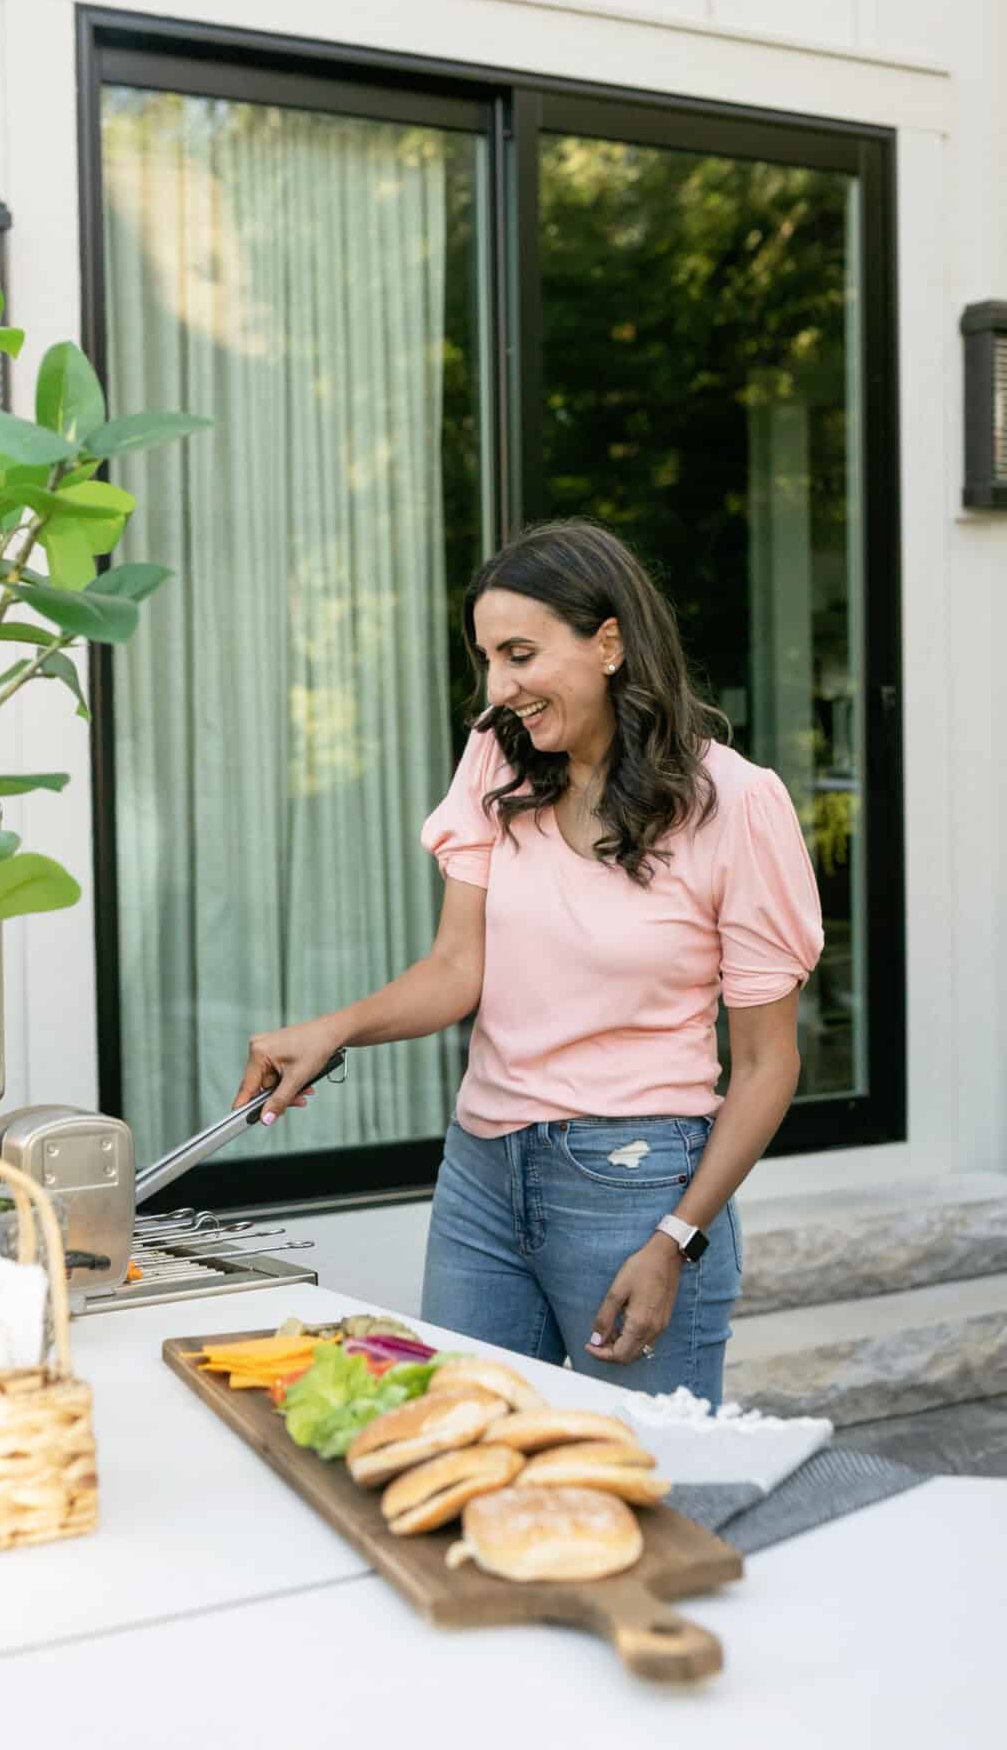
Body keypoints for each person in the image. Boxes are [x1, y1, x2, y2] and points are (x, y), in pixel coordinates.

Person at [233, 519, 823, 1406]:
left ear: (610, 643)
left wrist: (676, 1241)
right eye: (487, 659)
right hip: (481, 1173)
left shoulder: (733, 803)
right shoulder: (498, 763)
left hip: (634, 1183)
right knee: (466, 1440)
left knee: (653, 1485)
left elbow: (770, 1065)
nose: (499, 688)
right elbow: (455, 972)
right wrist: (333, 1028)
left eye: (520, 655)